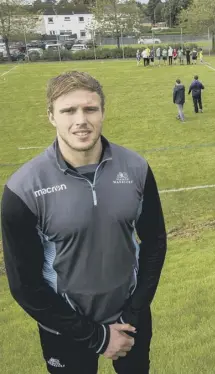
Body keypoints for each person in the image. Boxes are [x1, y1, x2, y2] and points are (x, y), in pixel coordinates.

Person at [1, 71, 168, 373]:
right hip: (64, 328)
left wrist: (134, 311)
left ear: (103, 111)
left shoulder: (136, 168)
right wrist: (97, 337)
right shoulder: (23, 188)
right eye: (68, 110)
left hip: (130, 318)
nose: (81, 120)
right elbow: (24, 286)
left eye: (90, 109)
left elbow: (155, 240)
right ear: (51, 116)